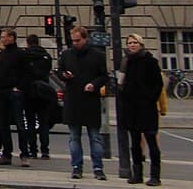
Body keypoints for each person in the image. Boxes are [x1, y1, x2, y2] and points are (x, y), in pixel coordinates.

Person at [60, 24, 109, 181]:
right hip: (73, 99)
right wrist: (64, 75)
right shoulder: (66, 54)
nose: (75, 43)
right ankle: (76, 166)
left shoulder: (98, 55)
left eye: (78, 40)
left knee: (94, 136)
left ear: (85, 39)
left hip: (90, 100)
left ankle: (98, 167)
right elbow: (60, 72)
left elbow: (104, 76)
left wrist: (94, 85)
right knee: (74, 136)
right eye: (73, 41)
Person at [120, 33, 164, 186]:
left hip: (146, 108)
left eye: (134, 43)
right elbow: (123, 83)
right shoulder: (127, 62)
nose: (132, 45)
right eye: (129, 43)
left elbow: (158, 84)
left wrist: (149, 99)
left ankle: (155, 175)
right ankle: (137, 174)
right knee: (135, 143)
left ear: (141, 44)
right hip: (132, 108)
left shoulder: (150, 61)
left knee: (151, 142)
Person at [0, 27, 31, 167]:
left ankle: (24, 154)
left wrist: (19, 87)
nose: (2, 39)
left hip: (15, 92)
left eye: (4, 37)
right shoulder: (2, 54)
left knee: (20, 124)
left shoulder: (20, 54)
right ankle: (6, 154)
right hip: (2, 91)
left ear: (11, 38)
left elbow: (27, 73)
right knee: (3, 125)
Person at [23, 33, 55, 159]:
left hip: (30, 92)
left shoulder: (25, 56)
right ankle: (45, 150)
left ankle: (33, 150)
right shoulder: (46, 56)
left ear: (28, 43)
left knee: (30, 123)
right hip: (44, 92)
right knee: (43, 123)